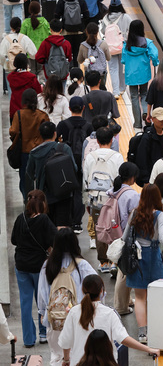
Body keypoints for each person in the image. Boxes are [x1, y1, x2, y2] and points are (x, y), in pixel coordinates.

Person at [123, 184, 163, 343]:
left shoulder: (135, 213)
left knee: (140, 298)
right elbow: (162, 237)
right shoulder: (160, 215)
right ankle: (155, 328)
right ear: (157, 198)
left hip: (137, 257)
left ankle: (142, 333)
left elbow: (124, 237)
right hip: (153, 257)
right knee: (155, 296)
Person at [58, 275, 160, 366]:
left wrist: (66, 360)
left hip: (78, 362)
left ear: (82, 290)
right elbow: (123, 339)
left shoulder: (74, 312)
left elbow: (65, 341)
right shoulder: (109, 313)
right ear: (101, 291)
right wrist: (148, 349)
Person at [37, 228, 95, 366]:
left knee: (57, 354)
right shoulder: (82, 265)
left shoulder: (48, 265)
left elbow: (42, 292)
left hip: (54, 317)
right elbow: (98, 289)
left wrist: (42, 312)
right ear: (75, 243)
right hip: (78, 316)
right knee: (77, 353)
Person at [11, 190, 57, 347]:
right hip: (39, 266)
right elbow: (55, 239)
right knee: (42, 300)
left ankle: (28, 339)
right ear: (43, 203)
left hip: (21, 265)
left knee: (25, 303)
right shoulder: (44, 219)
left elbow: (13, 240)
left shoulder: (20, 218)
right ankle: (43, 334)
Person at [83, 126, 124, 273]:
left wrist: (87, 201)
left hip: (95, 199)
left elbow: (85, 180)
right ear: (112, 139)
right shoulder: (117, 157)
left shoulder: (90, 157)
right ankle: (114, 261)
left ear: (97, 140)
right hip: (112, 199)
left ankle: (103, 262)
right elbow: (120, 179)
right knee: (115, 228)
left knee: (99, 228)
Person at [25, 121, 77, 227]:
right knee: (62, 225)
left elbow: (30, 173)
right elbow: (74, 168)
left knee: (47, 226)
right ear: (55, 133)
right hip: (64, 192)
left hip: (44, 195)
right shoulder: (64, 148)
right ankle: (61, 243)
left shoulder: (34, 153)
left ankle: (50, 243)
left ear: (40, 135)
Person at [56, 96, 93, 233]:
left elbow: (56, 140)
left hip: (66, 161)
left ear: (70, 108)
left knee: (66, 190)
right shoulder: (89, 126)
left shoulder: (62, 125)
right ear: (83, 108)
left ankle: (68, 221)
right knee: (79, 191)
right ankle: (77, 223)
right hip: (83, 161)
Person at [108, 162, 140, 316]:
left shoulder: (114, 190)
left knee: (124, 268)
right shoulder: (132, 195)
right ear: (132, 177)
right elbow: (134, 218)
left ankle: (126, 300)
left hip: (114, 233)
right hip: (125, 237)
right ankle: (120, 306)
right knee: (124, 272)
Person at [9, 88, 49, 198]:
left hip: (24, 151)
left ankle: (27, 199)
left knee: (25, 177)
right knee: (42, 176)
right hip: (41, 150)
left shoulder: (19, 115)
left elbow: (14, 131)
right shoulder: (42, 115)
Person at [121, 19, 159, 129]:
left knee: (133, 97)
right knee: (144, 94)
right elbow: (155, 55)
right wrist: (155, 63)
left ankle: (137, 123)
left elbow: (123, 60)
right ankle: (146, 114)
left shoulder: (126, 45)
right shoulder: (147, 43)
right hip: (143, 73)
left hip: (131, 75)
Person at [101, 0, 131, 99]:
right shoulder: (125, 17)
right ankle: (122, 88)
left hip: (110, 48)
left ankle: (116, 92)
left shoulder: (105, 18)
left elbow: (102, 31)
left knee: (113, 68)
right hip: (123, 46)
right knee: (122, 68)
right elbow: (131, 28)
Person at [55, 0, 89, 68]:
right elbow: (87, 15)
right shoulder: (80, 0)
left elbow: (56, 16)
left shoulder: (62, 0)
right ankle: (76, 72)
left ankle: (69, 72)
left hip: (66, 32)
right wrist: (81, 25)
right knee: (76, 53)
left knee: (67, 53)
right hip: (78, 32)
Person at [0, 17, 37, 93]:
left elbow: (2, 55)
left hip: (10, 69)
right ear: (21, 26)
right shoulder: (25, 38)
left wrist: (5, 64)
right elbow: (34, 53)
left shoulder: (6, 39)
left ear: (11, 27)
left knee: (11, 91)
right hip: (23, 69)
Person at [135, 107, 163, 187]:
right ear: (153, 119)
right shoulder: (147, 137)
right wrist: (146, 180)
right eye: (160, 119)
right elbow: (142, 159)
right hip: (151, 177)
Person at [7, 53, 42, 121]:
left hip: (14, 110)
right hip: (28, 110)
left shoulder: (11, 77)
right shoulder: (31, 78)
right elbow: (38, 91)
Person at [21, 1, 50, 81]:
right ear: (39, 10)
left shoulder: (26, 22)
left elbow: (21, 37)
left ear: (29, 10)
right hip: (42, 52)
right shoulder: (44, 21)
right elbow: (49, 35)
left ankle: (32, 89)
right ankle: (42, 88)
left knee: (31, 71)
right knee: (41, 71)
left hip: (30, 53)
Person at [78, 22, 110, 90]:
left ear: (86, 31)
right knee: (102, 91)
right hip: (101, 73)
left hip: (89, 73)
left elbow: (79, 60)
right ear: (97, 32)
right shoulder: (103, 44)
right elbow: (108, 58)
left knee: (89, 91)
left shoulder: (83, 45)